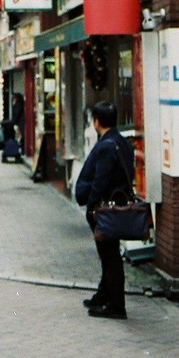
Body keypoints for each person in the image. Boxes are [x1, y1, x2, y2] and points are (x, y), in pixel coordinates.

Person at [74, 101, 135, 320]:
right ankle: (103, 295)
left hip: (106, 210)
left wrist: (91, 208)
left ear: (96, 121)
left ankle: (117, 306)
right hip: (116, 208)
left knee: (109, 256)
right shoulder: (122, 142)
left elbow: (101, 180)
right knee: (109, 254)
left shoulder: (107, 146)